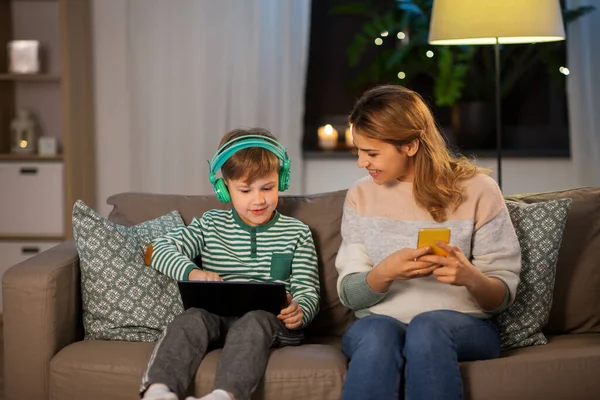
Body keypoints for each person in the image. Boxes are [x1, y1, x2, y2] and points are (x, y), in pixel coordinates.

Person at [336, 85, 521, 400]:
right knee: (379, 333)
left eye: (371, 153)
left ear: (410, 145)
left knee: (427, 327)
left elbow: (501, 296)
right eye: (359, 151)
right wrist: (385, 272)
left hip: (465, 326)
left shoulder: (479, 190)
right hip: (377, 324)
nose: (360, 162)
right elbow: (350, 295)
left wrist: (470, 277)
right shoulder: (361, 195)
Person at [140, 128, 320, 400]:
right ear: (224, 190)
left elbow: (308, 290)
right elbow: (155, 250)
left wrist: (300, 311)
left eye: (268, 188)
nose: (258, 199)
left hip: (268, 322)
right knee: (190, 319)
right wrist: (192, 272)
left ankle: (224, 396)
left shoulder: (297, 232)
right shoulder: (210, 225)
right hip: (216, 317)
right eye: (245, 190)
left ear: (281, 181)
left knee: (255, 320)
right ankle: (159, 390)